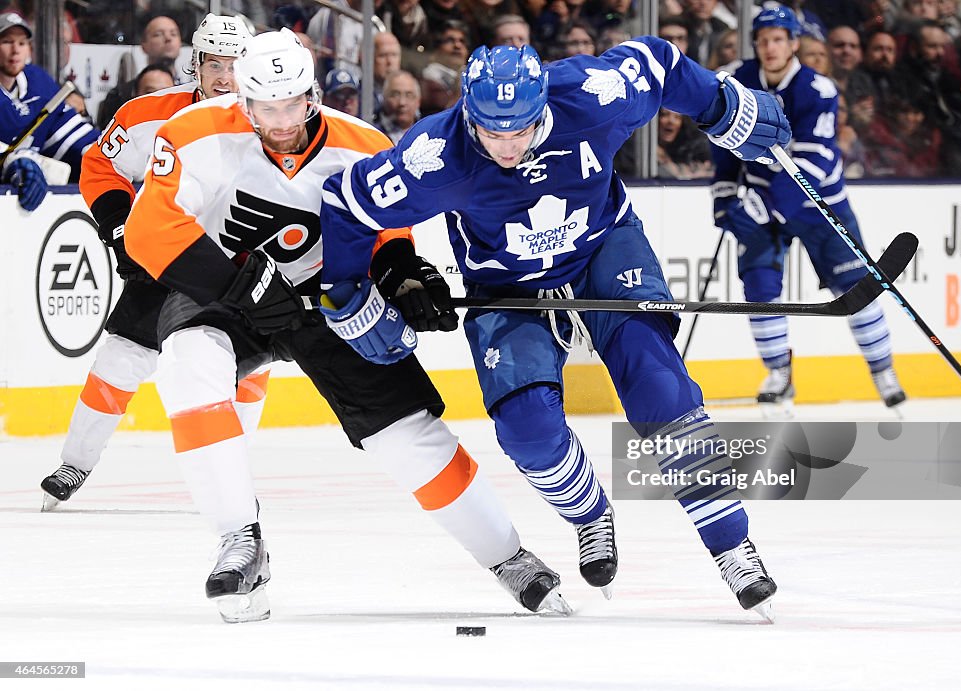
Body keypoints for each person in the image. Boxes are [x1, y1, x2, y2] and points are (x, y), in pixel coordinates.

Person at [318, 38, 792, 619]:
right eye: (492, 131)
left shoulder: (594, 96)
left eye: (520, 129)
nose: (507, 146)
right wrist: (346, 293)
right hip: (504, 286)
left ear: (544, 104)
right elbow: (344, 205)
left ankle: (733, 547)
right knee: (528, 431)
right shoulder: (435, 156)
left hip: (603, 250)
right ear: (468, 111)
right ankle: (590, 514)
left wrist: (724, 106)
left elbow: (661, 63)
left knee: (660, 391)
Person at [123, 29, 568, 622]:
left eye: (293, 105)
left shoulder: (363, 144)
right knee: (187, 363)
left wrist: (404, 276)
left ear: (313, 94)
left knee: (408, 434)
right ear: (244, 102)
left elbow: (389, 232)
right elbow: (149, 232)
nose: (282, 121)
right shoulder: (194, 132)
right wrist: (245, 286)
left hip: (332, 300)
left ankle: (508, 557)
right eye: (266, 108)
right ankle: (239, 540)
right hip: (221, 290)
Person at [39, 15, 266, 511]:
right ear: (196, 64)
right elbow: (100, 166)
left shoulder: (276, 120)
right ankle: (74, 462)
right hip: (169, 256)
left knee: (247, 368)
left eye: (235, 65)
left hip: (242, 263)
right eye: (214, 64)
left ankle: (235, 474)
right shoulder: (149, 114)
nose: (224, 77)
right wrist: (121, 226)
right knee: (122, 355)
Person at [709, 6, 907, 412]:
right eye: (763, 40)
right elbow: (723, 143)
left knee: (855, 291)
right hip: (764, 201)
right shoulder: (740, 81)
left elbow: (813, 163)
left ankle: (883, 370)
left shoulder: (818, 90)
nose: (769, 47)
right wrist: (725, 197)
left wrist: (760, 202)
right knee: (760, 286)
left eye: (778, 39)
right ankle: (779, 374)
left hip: (819, 205)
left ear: (794, 43)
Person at [0, 12, 98, 210]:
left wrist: (109, 153)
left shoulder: (38, 82)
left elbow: (68, 133)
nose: (15, 51)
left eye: (21, 43)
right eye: (6, 41)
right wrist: (11, 161)